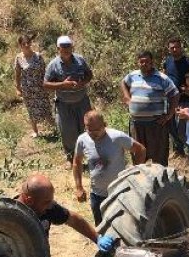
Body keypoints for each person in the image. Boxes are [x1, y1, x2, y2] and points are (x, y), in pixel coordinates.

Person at [72, 111, 146, 225]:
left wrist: (135, 171)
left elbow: (140, 149)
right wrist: (79, 187)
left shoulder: (117, 137)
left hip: (120, 193)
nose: (92, 134)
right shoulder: (82, 140)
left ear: (104, 125)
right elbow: (77, 162)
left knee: (123, 226)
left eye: (96, 131)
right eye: (89, 130)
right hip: (97, 194)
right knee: (101, 228)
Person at [120, 50, 179, 166]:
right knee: (138, 154)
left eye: (147, 61)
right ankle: (140, 180)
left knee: (159, 156)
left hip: (156, 124)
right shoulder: (132, 76)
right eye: (141, 61)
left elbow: (175, 94)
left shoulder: (162, 78)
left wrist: (169, 115)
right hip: (136, 124)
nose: (144, 64)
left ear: (152, 62)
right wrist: (127, 97)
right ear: (138, 62)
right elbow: (123, 83)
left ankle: (160, 181)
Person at [43, 35, 93, 166]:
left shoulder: (80, 60)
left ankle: (87, 155)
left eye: (68, 46)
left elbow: (89, 74)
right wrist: (62, 85)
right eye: (63, 47)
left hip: (82, 102)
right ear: (58, 48)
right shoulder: (53, 65)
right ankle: (71, 158)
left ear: (72, 47)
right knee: (67, 132)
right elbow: (45, 84)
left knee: (86, 128)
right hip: (64, 104)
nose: (66, 49)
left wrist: (83, 83)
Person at [13, 33, 56, 139]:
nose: (26, 45)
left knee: (46, 107)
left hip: (40, 87)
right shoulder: (18, 58)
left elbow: (45, 72)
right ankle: (36, 131)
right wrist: (18, 88)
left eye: (28, 43)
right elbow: (17, 74)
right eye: (24, 44)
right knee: (31, 110)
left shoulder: (38, 56)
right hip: (27, 89)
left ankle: (55, 129)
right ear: (20, 45)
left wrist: (48, 85)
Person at [163, 37, 189, 156]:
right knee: (171, 126)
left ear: (181, 47)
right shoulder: (167, 61)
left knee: (182, 128)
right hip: (170, 99)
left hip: (184, 100)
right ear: (169, 49)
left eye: (177, 47)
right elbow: (165, 76)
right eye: (172, 48)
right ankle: (178, 151)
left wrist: (187, 89)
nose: (175, 49)